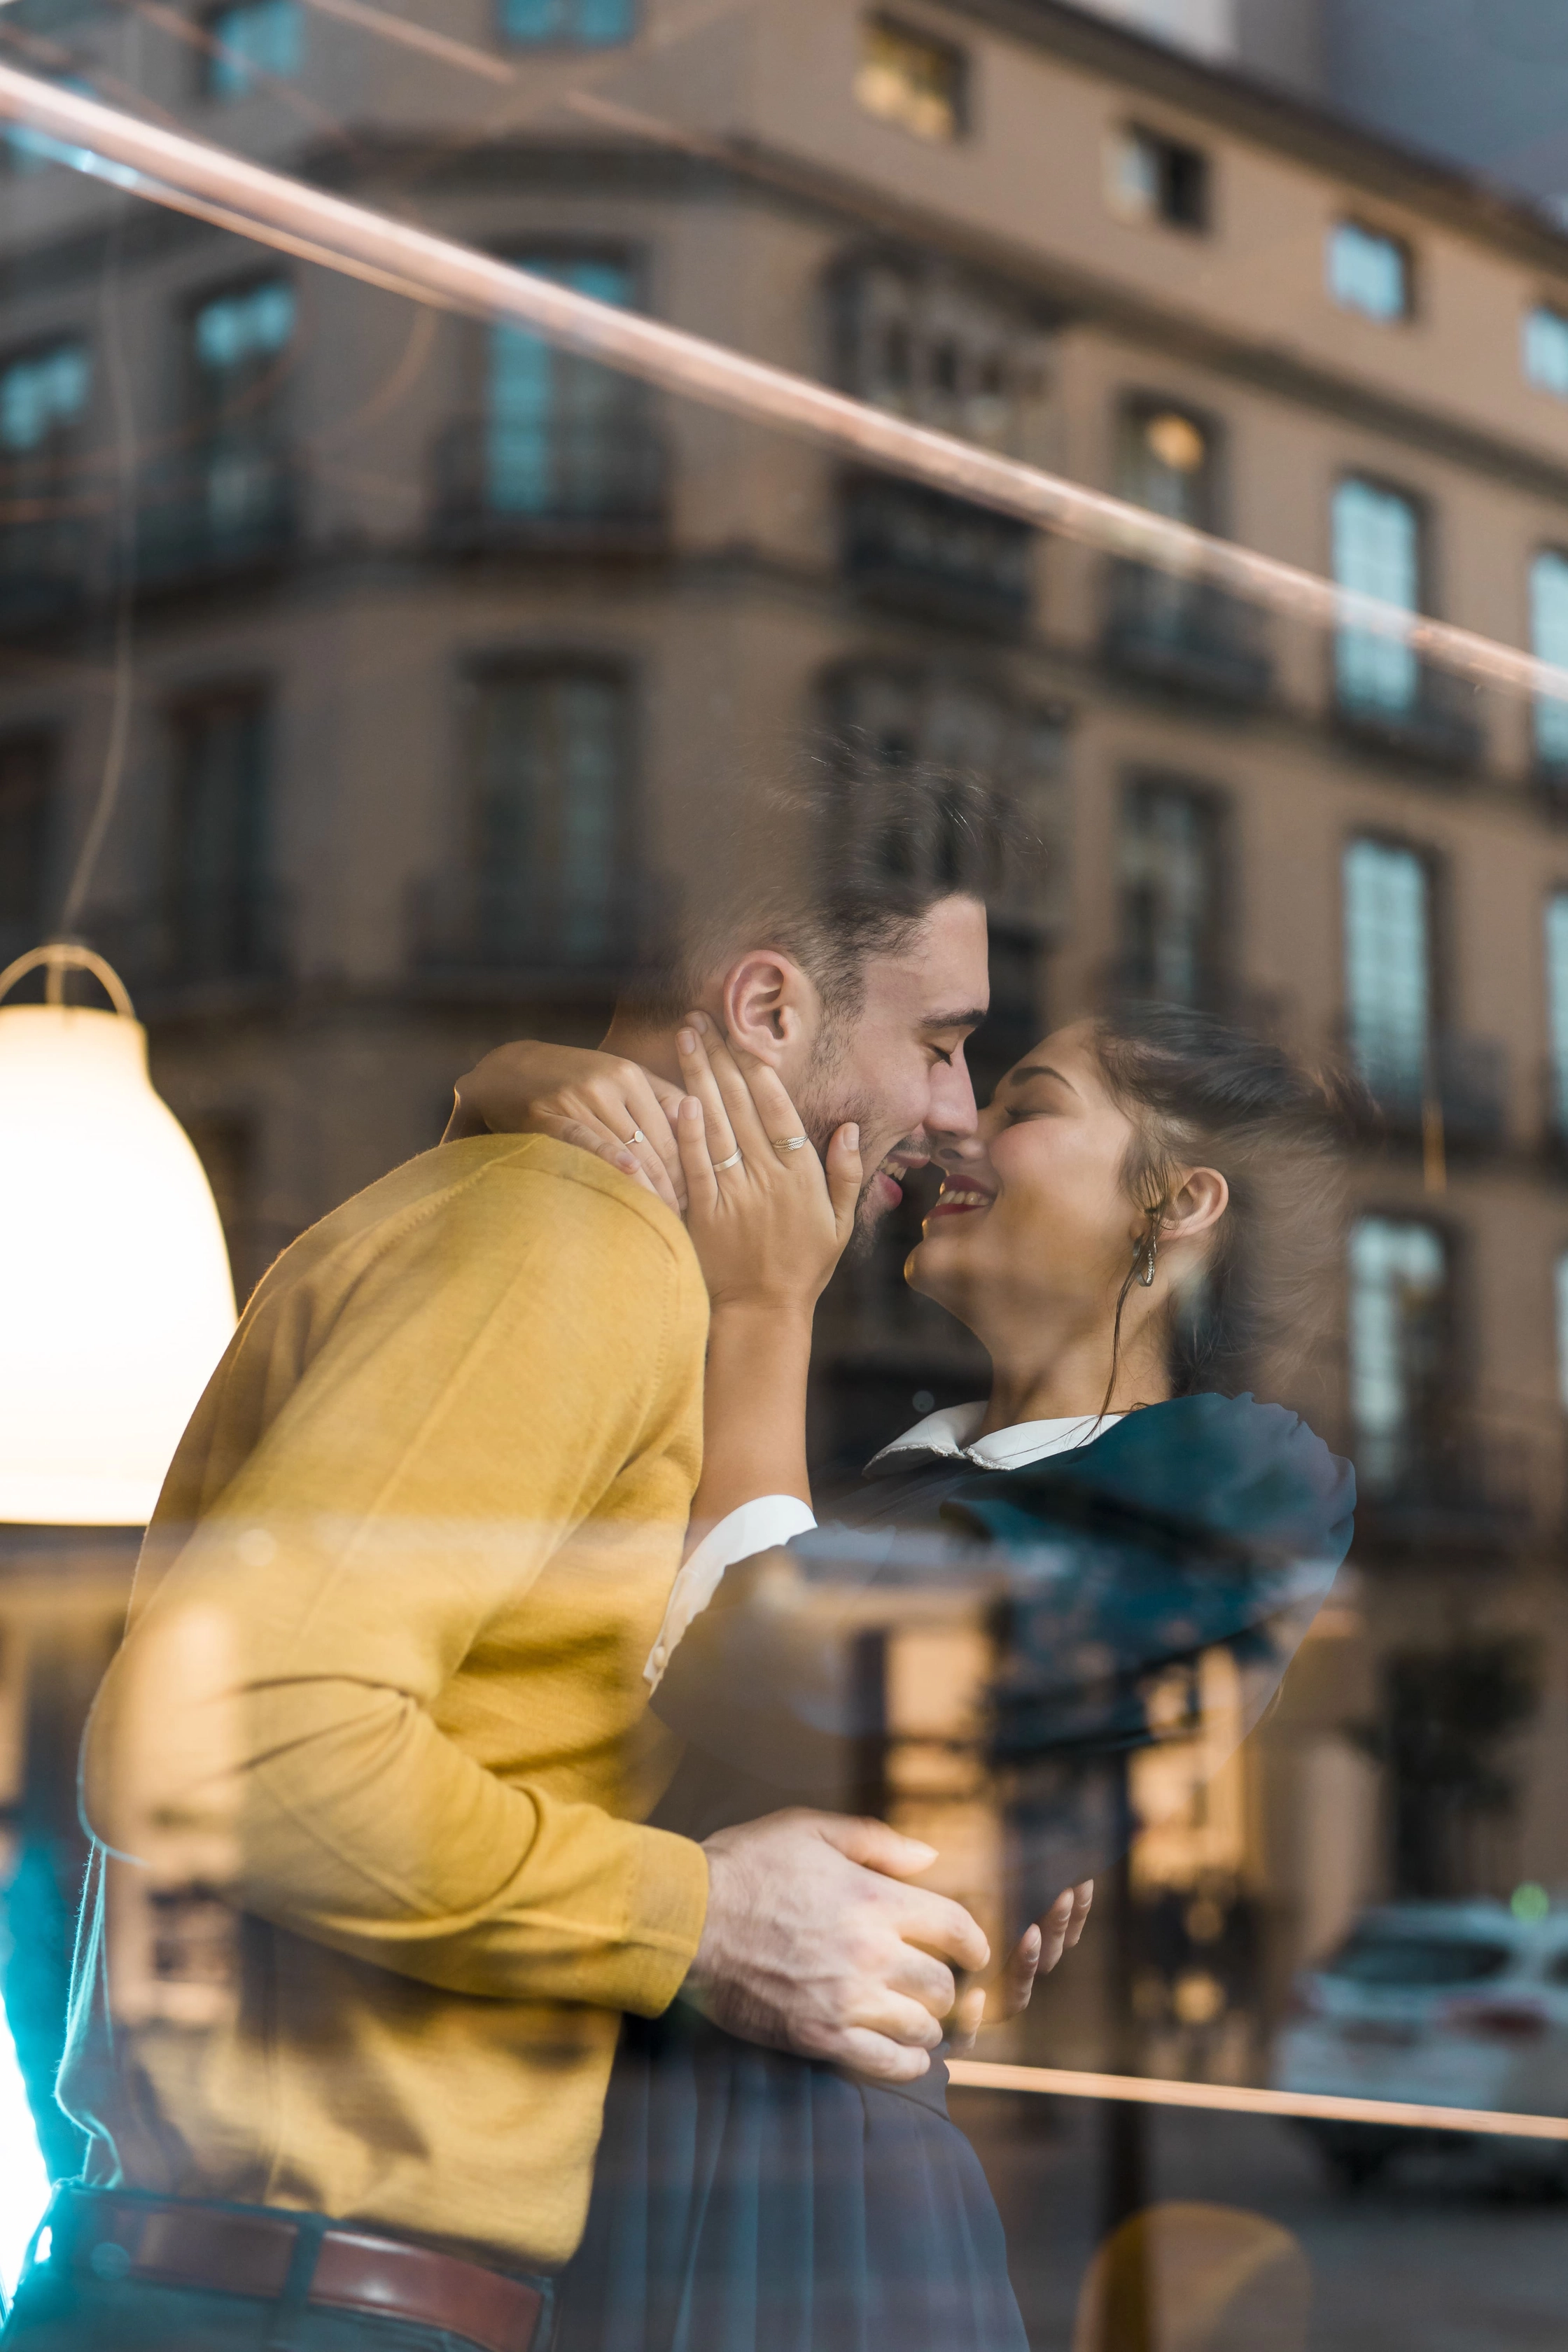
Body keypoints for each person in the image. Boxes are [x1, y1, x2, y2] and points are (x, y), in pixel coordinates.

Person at [6, 769, 1003, 2352]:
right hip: (301, 2310)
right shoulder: (569, 1243)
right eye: (939, 1043)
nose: (956, 1110)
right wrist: (699, 1923)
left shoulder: (569, 1239)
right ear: (764, 1004)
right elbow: (232, 1737)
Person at [447, 1000, 1359, 2352]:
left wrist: (762, 1309)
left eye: (1028, 1104)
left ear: (1177, 1199)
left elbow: (780, 1670)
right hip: (610, 2152)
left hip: (804, 2195)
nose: (960, 1128)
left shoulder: (1244, 1474)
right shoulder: (902, 1483)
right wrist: (500, 1076)